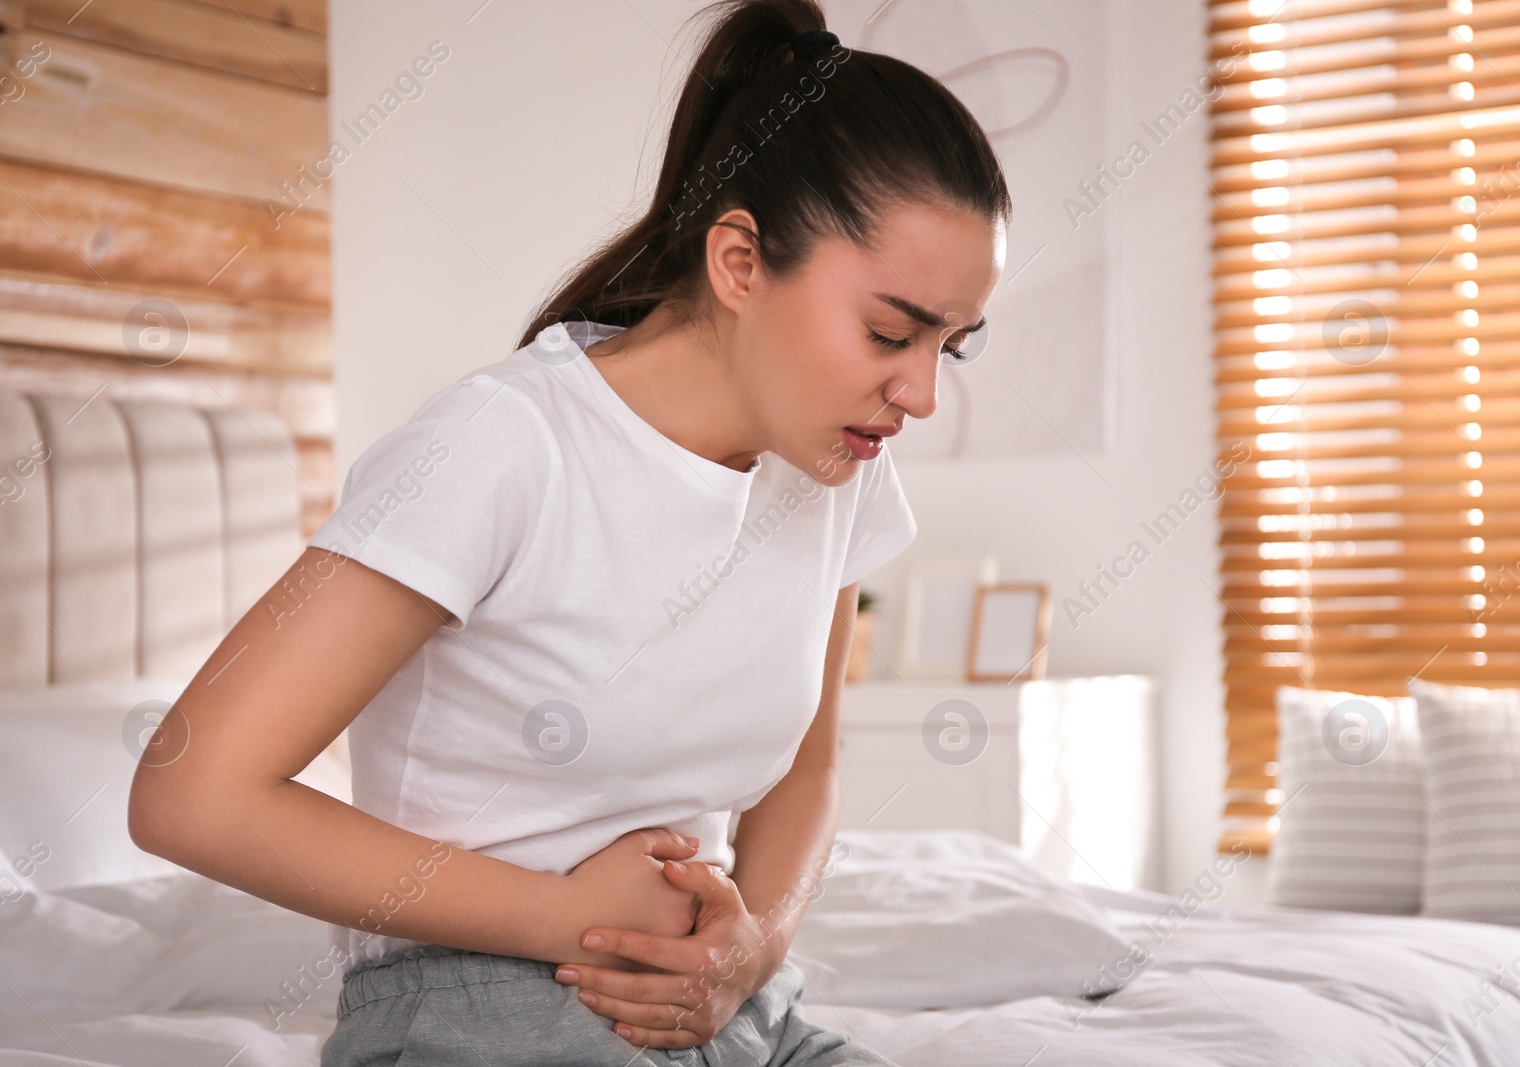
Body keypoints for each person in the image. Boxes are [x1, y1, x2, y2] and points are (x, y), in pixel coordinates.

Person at [128, 0, 1008, 1062]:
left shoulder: (836, 465)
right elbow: (191, 790)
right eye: (889, 332)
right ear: (738, 263)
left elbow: (804, 772)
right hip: (477, 1001)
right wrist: (569, 918)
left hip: (724, 1007)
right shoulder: (505, 445)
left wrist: (756, 945)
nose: (916, 393)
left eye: (948, 347)